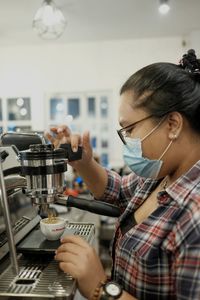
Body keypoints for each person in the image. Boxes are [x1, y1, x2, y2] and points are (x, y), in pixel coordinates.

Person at [46, 49, 200, 300]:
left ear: (172, 124)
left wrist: (101, 287)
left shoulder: (194, 216)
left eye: (129, 129)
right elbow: (115, 189)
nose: (127, 140)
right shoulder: (161, 174)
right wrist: (84, 163)